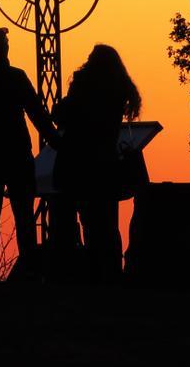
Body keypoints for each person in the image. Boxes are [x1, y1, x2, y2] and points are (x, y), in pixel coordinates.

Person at [0, 28, 59, 281]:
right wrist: (57, 141)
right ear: (2, 48)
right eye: (5, 43)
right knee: (23, 214)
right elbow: (37, 113)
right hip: (16, 154)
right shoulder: (15, 77)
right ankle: (29, 268)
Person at [51, 44, 141, 283]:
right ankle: (109, 272)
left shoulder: (82, 86)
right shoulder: (118, 91)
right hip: (105, 165)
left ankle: (78, 271)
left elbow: (60, 116)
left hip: (76, 163)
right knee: (106, 224)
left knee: (73, 220)